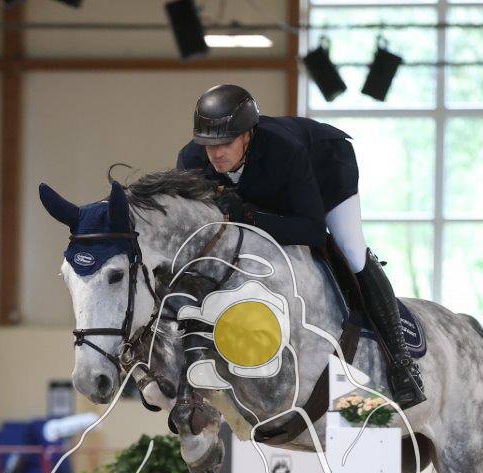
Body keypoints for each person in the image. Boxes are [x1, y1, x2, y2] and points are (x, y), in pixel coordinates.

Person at [175, 84, 425, 407]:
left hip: (326, 169)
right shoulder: (191, 160)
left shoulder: (284, 149)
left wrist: (250, 216)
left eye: (226, 143)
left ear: (247, 135)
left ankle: (401, 362)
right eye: (209, 145)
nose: (216, 154)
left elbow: (312, 230)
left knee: (351, 251)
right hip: (267, 190)